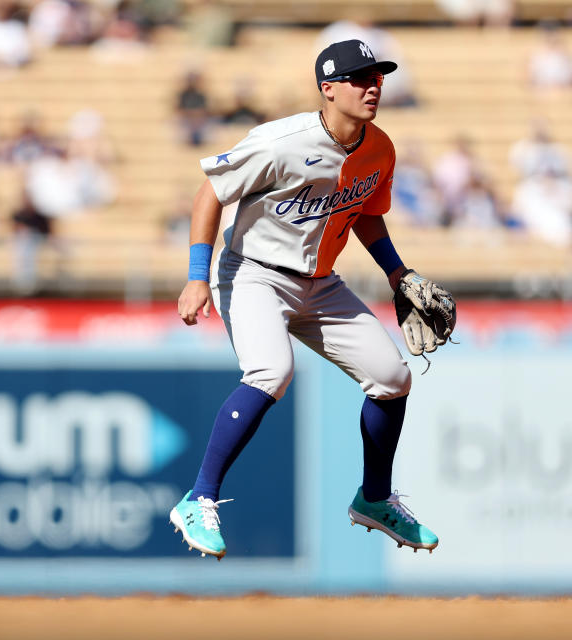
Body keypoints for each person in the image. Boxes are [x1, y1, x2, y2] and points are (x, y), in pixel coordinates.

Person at [170, 40, 446, 560]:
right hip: (254, 273)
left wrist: (397, 273)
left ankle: (375, 497)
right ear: (328, 88)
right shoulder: (281, 142)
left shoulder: (379, 147)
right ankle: (198, 497)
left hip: (321, 283)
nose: (373, 86)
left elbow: (365, 211)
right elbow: (211, 192)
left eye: (378, 77)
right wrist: (196, 276)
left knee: (392, 377)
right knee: (271, 373)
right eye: (360, 78)